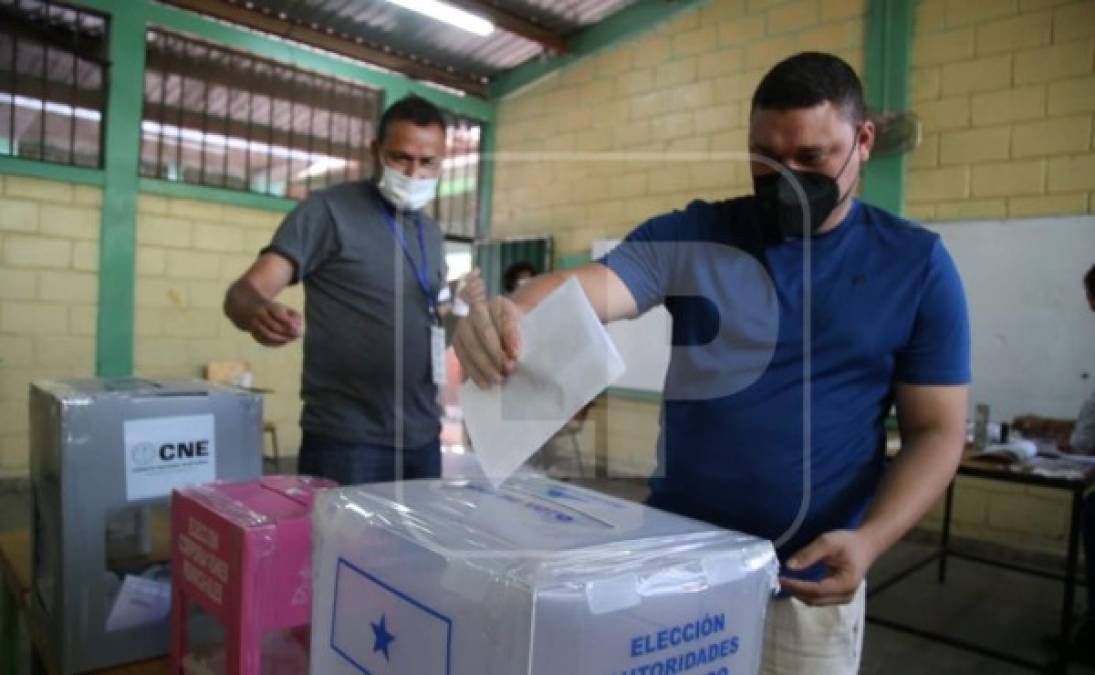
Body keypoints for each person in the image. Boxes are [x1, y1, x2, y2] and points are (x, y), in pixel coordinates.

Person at [454, 52, 970, 674]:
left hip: (809, 581)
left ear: (864, 142)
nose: (786, 179)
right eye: (766, 159)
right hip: (677, 568)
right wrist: (510, 311)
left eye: (811, 158)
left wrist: (870, 540)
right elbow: (592, 287)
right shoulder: (697, 233)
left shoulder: (916, 266)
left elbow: (937, 430)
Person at [225, 95, 478, 485]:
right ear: (376, 152)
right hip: (347, 440)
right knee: (343, 548)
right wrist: (257, 311)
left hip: (423, 436)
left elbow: (431, 331)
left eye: (428, 162)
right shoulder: (328, 211)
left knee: (414, 548)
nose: (414, 173)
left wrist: (460, 308)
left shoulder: (430, 232)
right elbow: (242, 293)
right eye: (400, 158)